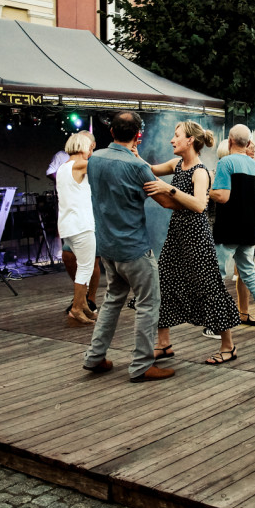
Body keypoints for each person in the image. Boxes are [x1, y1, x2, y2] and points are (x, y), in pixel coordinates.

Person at [82, 111, 176, 382]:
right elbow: (165, 202)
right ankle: (142, 365)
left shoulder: (95, 159)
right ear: (138, 136)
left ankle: (94, 357)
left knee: (112, 301)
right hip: (134, 248)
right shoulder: (137, 167)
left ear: (111, 132)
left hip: (108, 247)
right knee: (148, 304)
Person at [144, 121, 242, 365]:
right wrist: (131, 155)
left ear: (190, 140)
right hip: (177, 234)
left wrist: (170, 190)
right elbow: (151, 169)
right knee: (163, 282)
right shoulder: (177, 164)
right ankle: (163, 344)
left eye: (176, 136)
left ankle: (228, 346)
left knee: (209, 288)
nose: (171, 140)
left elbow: (200, 205)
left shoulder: (200, 171)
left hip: (197, 237)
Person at [210, 124, 255, 332]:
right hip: (249, 228)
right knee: (249, 272)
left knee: (217, 273)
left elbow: (223, 196)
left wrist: (208, 191)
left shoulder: (225, 162)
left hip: (228, 227)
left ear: (230, 141)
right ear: (248, 143)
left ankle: (216, 323)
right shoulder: (253, 166)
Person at [50, 138, 101, 316]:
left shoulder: (63, 167)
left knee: (83, 266)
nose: (91, 152)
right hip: (81, 224)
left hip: (67, 224)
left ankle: (83, 305)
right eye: (90, 148)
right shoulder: (79, 165)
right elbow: (103, 166)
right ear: (83, 147)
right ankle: (77, 308)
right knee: (86, 267)